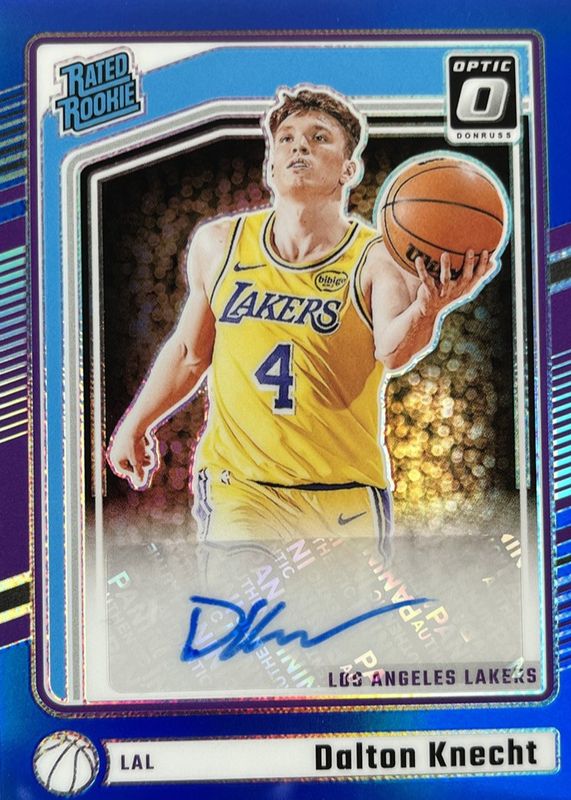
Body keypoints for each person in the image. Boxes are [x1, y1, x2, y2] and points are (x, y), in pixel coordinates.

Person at [107, 84, 496, 557]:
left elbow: (392, 350)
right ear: (270, 165)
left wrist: (427, 309)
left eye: (319, 138)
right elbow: (190, 354)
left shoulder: (376, 257)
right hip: (240, 485)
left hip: (344, 493)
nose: (299, 147)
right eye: (286, 138)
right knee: (243, 599)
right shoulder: (220, 244)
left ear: (349, 169)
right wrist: (135, 424)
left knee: (339, 610)